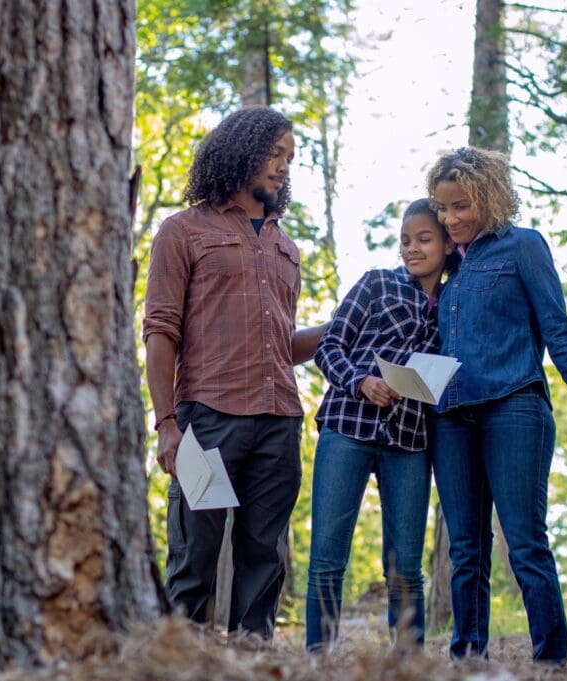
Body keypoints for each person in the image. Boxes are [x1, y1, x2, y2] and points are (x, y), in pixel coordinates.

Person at [143, 107, 326, 639]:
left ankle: (254, 660)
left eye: (290, 158)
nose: (284, 166)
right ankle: (181, 667)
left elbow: (281, 347)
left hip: (278, 422)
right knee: (193, 561)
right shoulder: (183, 231)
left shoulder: (285, 247)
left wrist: (340, 327)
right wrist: (167, 424)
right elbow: (161, 330)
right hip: (208, 419)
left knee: (263, 561)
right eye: (275, 153)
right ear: (241, 149)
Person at [427, 147, 567, 663]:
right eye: (442, 208)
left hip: (513, 409)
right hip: (451, 418)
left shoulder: (523, 247)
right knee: (465, 551)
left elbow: (558, 328)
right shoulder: (443, 266)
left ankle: (551, 661)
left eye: (461, 206)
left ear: (489, 197)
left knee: (524, 544)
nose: (450, 219)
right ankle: (466, 659)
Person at [305, 199, 458, 652]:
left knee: (406, 566)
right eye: (405, 241)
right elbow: (329, 346)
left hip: (409, 440)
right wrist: (362, 380)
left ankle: (407, 660)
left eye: (424, 239)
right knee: (327, 559)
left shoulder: (453, 304)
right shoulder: (376, 283)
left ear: (449, 244)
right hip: (347, 425)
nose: (412, 249)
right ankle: (319, 659)